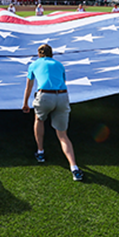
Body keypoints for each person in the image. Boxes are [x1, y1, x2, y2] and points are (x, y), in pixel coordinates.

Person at [22, 43, 83, 181]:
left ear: (39, 54)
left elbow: (29, 87)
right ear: (52, 54)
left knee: (39, 120)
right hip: (62, 96)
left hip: (44, 96)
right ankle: (74, 167)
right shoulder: (59, 65)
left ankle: (40, 152)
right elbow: (63, 81)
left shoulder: (34, 65)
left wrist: (25, 103)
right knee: (63, 135)